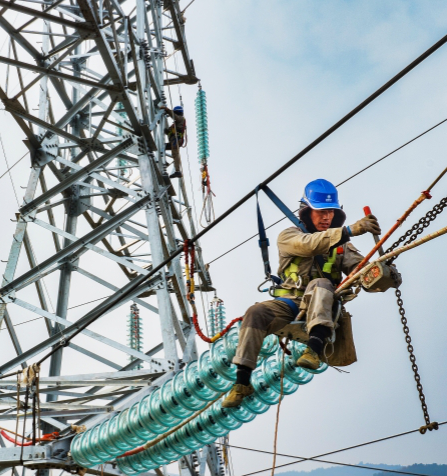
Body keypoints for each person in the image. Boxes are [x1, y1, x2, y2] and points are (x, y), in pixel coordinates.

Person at [221, 179, 397, 408]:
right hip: (291, 303)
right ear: (307, 212)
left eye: (330, 212)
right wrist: (350, 230)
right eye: (320, 212)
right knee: (256, 312)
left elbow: (360, 272)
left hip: (323, 306)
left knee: (322, 284)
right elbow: (310, 245)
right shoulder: (289, 236)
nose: (327, 218)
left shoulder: (342, 245)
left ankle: (313, 349)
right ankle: (242, 382)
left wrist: (383, 272)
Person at [160, 105, 186, 178]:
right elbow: (168, 132)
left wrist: (167, 109)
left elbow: (174, 116)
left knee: (175, 153)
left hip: (177, 139)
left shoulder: (181, 119)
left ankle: (177, 171)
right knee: (162, 147)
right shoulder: (174, 125)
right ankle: (164, 162)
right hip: (174, 140)